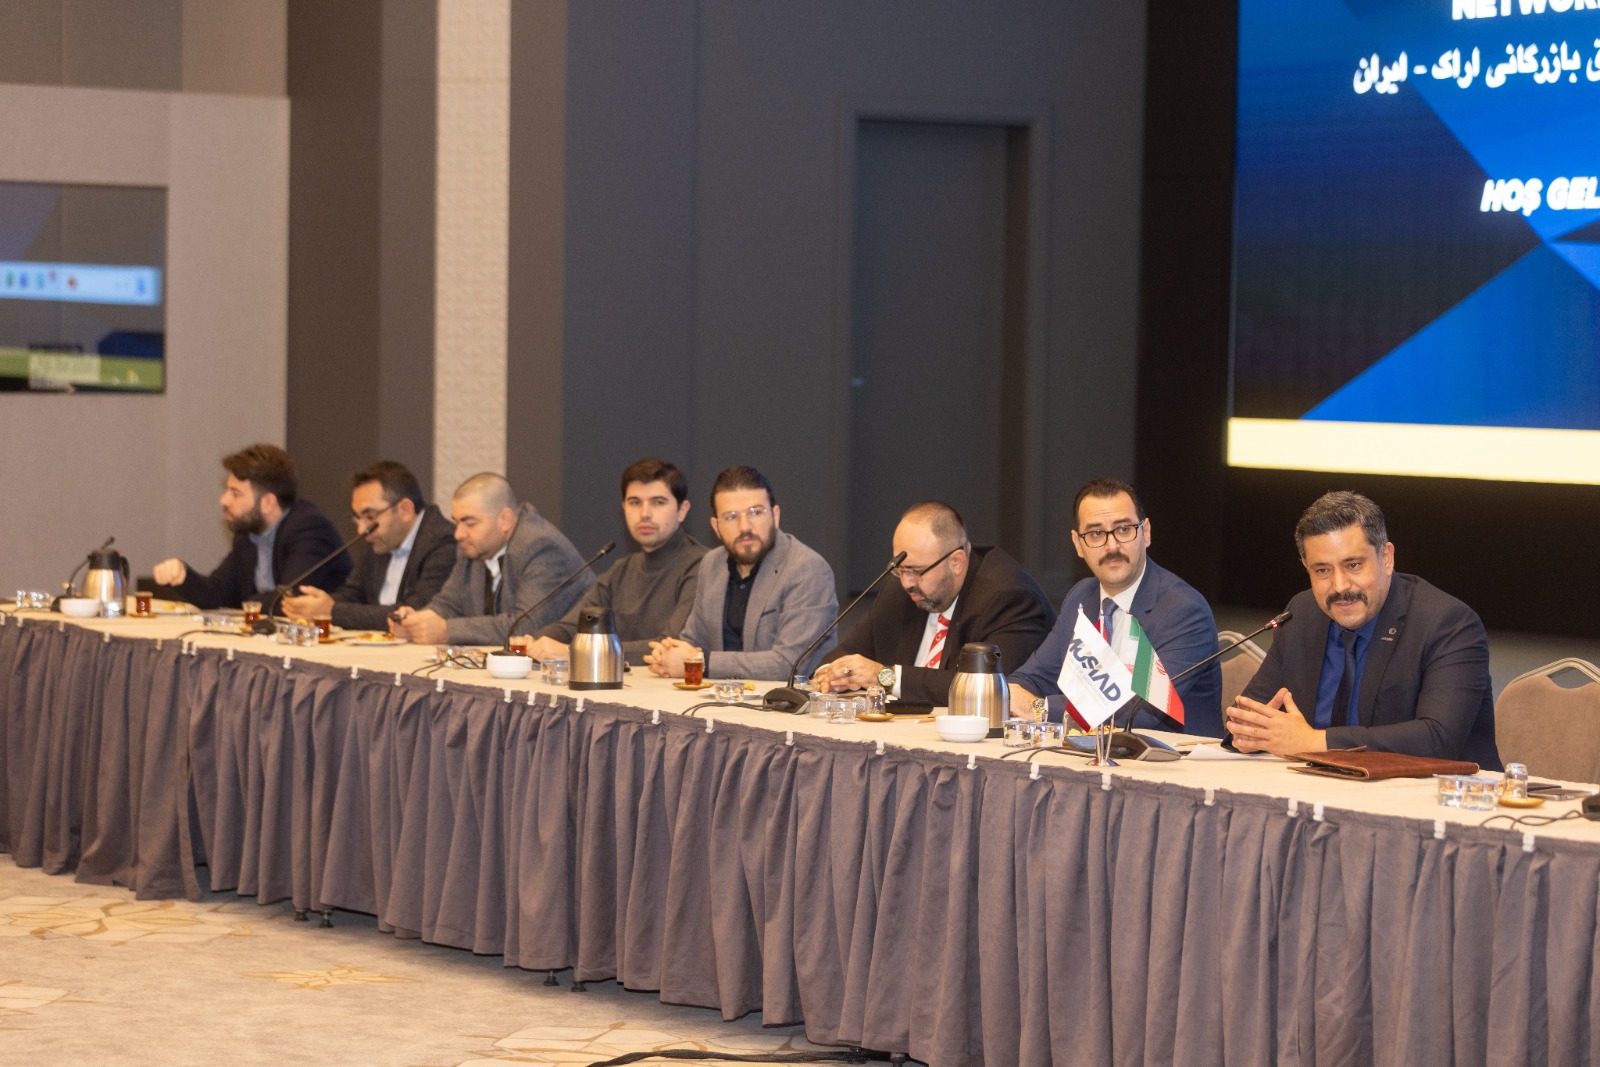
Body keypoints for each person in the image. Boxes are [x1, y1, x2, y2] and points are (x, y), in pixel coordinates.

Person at [1226, 491, 1499, 768]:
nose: (1340, 586)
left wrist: (1316, 742)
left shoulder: (1448, 623)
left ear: (1386, 558)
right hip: (1317, 786)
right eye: (1322, 571)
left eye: (1353, 565)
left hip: (1439, 791)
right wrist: (1247, 734)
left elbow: (1438, 739)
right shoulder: (1302, 613)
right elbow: (1245, 719)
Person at [1008, 478, 1223, 736]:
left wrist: (1040, 708)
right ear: (1078, 544)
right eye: (1096, 534)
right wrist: (1010, 694)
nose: (1112, 547)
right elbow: (1032, 679)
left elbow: (1139, 711)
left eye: (1123, 529)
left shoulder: (1183, 610)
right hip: (1091, 754)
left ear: (1146, 533)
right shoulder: (1081, 597)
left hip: (1177, 757)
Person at [811, 501, 1055, 706]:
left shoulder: (1008, 596)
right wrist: (831, 675)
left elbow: (990, 689)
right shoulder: (903, 589)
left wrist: (885, 677)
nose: (906, 582)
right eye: (900, 570)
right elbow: (846, 653)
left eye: (916, 571)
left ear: (957, 562)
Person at [645, 465, 837, 681]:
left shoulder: (806, 568)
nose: (745, 526)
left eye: (756, 512)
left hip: (782, 700)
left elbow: (790, 664)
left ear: (775, 516)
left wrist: (700, 663)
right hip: (717, 697)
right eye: (731, 517)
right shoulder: (712, 564)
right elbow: (693, 641)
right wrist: (669, 654)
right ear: (716, 527)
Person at [514, 458, 708, 665]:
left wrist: (577, 653)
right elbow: (571, 626)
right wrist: (535, 642)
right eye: (635, 502)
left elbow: (670, 646)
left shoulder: (702, 566)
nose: (645, 514)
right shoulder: (621, 570)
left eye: (658, 502)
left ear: (682, 510)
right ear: (623, 507)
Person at [391, 472, 594, 645]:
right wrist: (416, 622)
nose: (458, 534)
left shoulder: (541, 547)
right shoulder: (474, 547)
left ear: (505, 520)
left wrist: (447, 631)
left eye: (470, 523)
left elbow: (526, 627)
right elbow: (449, 603)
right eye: (457, 522)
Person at [153, 443, 351, 611]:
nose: (224, 500)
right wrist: (183, 575)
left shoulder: (309, 529)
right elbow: (216, 594)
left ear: (267, 503)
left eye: (236, 493)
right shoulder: (248, 534)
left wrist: (247, 603)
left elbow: (290, 599)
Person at [281, 461, 457, 631]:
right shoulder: (381, 538)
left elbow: (417, 610)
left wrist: (332, 611)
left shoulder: (444, 541)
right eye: (358, 518)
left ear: (405, 510)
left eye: (370, 516)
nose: (361, 529)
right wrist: (314, 606)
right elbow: (353, 594)